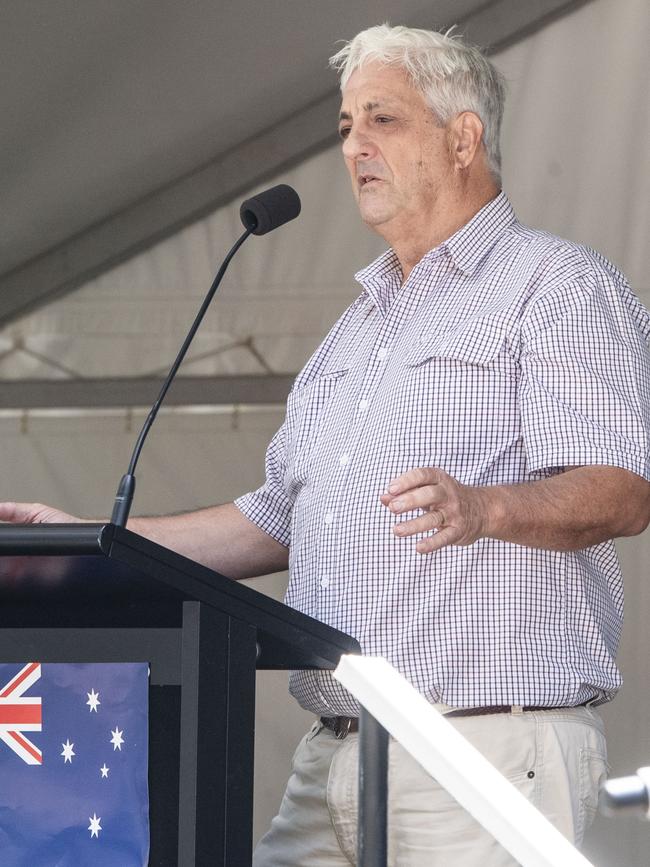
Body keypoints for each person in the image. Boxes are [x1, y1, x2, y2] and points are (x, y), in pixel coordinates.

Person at [2, 23, 650, 866]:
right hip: (336, 752)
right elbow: (275, 518)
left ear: (464, 138)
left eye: (382, 119)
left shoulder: (558, 285)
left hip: (482, 752)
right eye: (345, 127)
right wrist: (93, 541)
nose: (355, 147)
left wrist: (486, 506)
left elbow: (622, 489)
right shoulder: (356, 330)